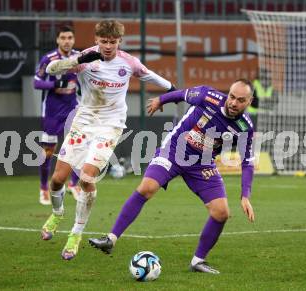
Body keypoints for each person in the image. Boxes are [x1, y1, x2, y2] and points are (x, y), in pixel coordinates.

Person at [89, 79, 256, 274]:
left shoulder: (245, 127)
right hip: (174, 150)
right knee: (147, 188)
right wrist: (160, 100)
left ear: (249, 102)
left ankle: (198, 261)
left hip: (202, 164)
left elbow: (247, 162)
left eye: (240, 100)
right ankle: (111, 239)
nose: (233, 103)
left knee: (221, 213)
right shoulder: (207, 96)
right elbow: (181, 94)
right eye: (232, 96)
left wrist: (245, 195)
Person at [40, 19, 175, 260]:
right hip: (84, 121)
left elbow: (152, 76)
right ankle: (58, 213)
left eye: (113, 42)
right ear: (96, 40)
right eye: (104, 41)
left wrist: (171, 92)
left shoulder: (128, 62)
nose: (108, 46)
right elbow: (51, 70)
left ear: (119, 42)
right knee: (58, 179)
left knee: (86, 179)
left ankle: (76, 233)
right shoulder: (85, 58)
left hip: (110, 126)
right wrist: (78, 60)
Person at [34, 25, 81, 205]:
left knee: (77, 148)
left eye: (70, 37)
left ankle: (73, 184)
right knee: (48, 151)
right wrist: (55, 85)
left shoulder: (79, 57)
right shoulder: (49, 59)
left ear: (73, 40)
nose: (67, 41)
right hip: (52, 111)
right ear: (57, 40)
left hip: (72, 109)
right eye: (63, 38)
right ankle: (44, 188)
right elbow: (36, 83)